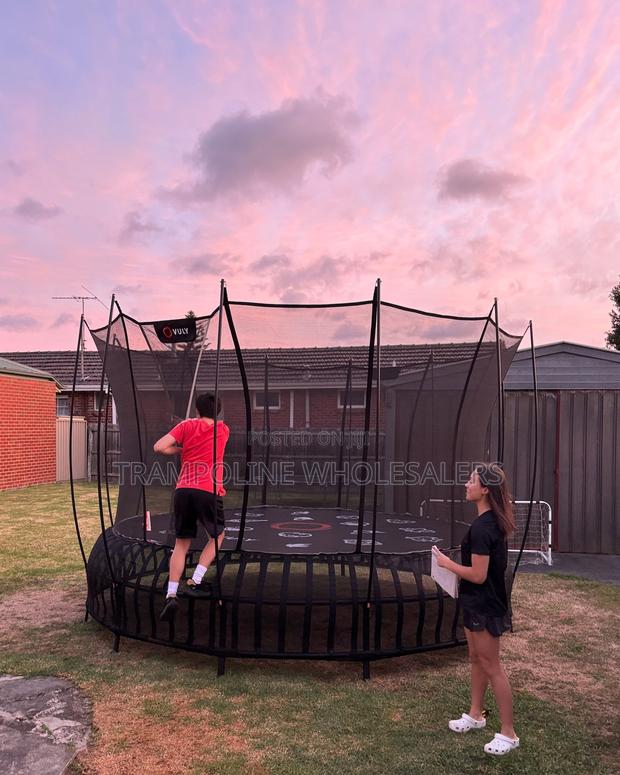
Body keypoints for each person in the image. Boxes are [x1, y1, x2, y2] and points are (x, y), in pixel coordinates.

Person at [432, 463, 519, 757]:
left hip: (484, 605)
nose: (466, 485)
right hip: (476, 603)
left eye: (471, 481)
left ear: (485, 490)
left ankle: (509, 733)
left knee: (492, 665)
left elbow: (479, 575)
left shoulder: (483, 528)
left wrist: (446, 564)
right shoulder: (489, 521)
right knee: (476, 659)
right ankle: (475, 715)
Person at [153, 392, 230, 622]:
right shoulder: (223, 430)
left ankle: (171, 595)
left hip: (184, 490)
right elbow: (209, 425)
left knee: (181, 544)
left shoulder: (186, 426)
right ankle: (195, 580)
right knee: (217, 536)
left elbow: (159, 447)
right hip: (208, 489)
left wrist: (180, 448)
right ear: (217, 412)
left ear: (196, 410)